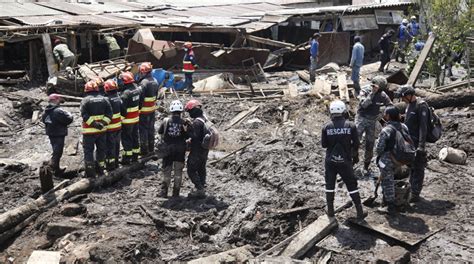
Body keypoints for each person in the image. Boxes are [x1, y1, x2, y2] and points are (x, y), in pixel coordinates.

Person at [321, 100, 366, 220]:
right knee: (351, 184)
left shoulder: (326, 126)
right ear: (343, 111)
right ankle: (359, 211)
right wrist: (354, 155)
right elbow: (356, 143)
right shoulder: (351, 125)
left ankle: (330, 211)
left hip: (330, 161)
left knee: (329, 184)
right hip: (345, 161)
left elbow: (324, 145)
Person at [395, 85, 429, 203]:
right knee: (411, 166)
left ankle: (415, 193)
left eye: (403, 97)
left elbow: (423, 128)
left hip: (417, 143)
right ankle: (412, 189)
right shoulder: (409, 105)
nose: (402, 100)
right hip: (409, 142)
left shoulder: (421, 106)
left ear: (409, 95)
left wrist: (421, 146)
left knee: (418, 167)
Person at [375, 106, 410, 215]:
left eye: (385, 114)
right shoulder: (404, 126)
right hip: (401, 159)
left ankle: (390, 207)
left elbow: (379, 148)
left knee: (388, 182)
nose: (384, 116)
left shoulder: (386, 130)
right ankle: (395, 201)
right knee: (393, 178)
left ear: (388, 116)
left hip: (388, 159)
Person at [355, 76, 392, 175]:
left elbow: (390, 105)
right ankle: (353, 159)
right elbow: (363, 104)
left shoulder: (382, 94)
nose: (380, 91)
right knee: (355, 140)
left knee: (370, 143)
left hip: (372, 120)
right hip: (361, 118)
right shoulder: (365, 91)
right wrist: (372, 93)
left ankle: (366, 166)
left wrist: (383, 112)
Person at [80, 81, 112, 178]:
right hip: (101, 131)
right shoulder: (105, 99)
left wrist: (94, 124)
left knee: (89, 151)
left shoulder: (84, 101)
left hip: (89, 132)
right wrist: (102, 124)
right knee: (101, 150)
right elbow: (109, 114)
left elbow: (84, 116)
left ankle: (90, 173)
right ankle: (100, 169)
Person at [157, 100, 188, 198]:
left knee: (167, 170)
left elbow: (160, 131)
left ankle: (164, 192)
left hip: (168, 150)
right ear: (181, 111)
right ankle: (176, 192)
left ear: (171, 110)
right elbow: (187, 136)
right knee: (178, 171)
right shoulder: (184, 123)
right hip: (180, 150)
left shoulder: (166, 121)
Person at [42, 94, 74, 177]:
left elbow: (44, 120)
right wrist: (70, 115)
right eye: (58, 100)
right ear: (55, 100)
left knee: (56, 150)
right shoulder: (58, 111)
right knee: (58, 152)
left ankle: (56, 169)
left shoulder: (46, 111)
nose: (59, 101)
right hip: (59, 133)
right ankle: (52, 169)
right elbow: (68, 119)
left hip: (51, 133)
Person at [185, 99, 209, 197]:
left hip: (197, 150)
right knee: (201, 168)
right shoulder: (204, 118)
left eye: (190, 111)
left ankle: (199, 189)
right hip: (204, 150)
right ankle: (202, 187)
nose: (189, 113)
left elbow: (194, 137)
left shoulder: (196, 123)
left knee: (191, 170)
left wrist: (188, 130)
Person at [137, 62, 160, 156]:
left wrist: (138, 110)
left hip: (144, 111)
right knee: (151, 129)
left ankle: (144, 150)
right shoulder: (155, 80)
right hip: (152, 110)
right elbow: (156, 95)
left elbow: (140, 98)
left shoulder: (144, 83)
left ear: (143, 72)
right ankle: (151, 148)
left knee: (143, 130)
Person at [119, 71, 141, 164]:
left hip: (127, 121)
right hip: (136, 118)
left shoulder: (125, 94)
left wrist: (120, 120)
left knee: (126, 139)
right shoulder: (137, 89)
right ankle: (135, 156)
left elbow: (123, 110)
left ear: (124, 82)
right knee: (135, 137)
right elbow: (140, 103)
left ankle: (127, 159)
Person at [103, 80, 122, 171]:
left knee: (110, 147)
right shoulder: (119, 98)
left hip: (109, 128)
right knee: (117, 145)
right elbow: (124, 112)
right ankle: (116, 163)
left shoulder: (106, 100)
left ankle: (110, 166)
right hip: (118, 126)